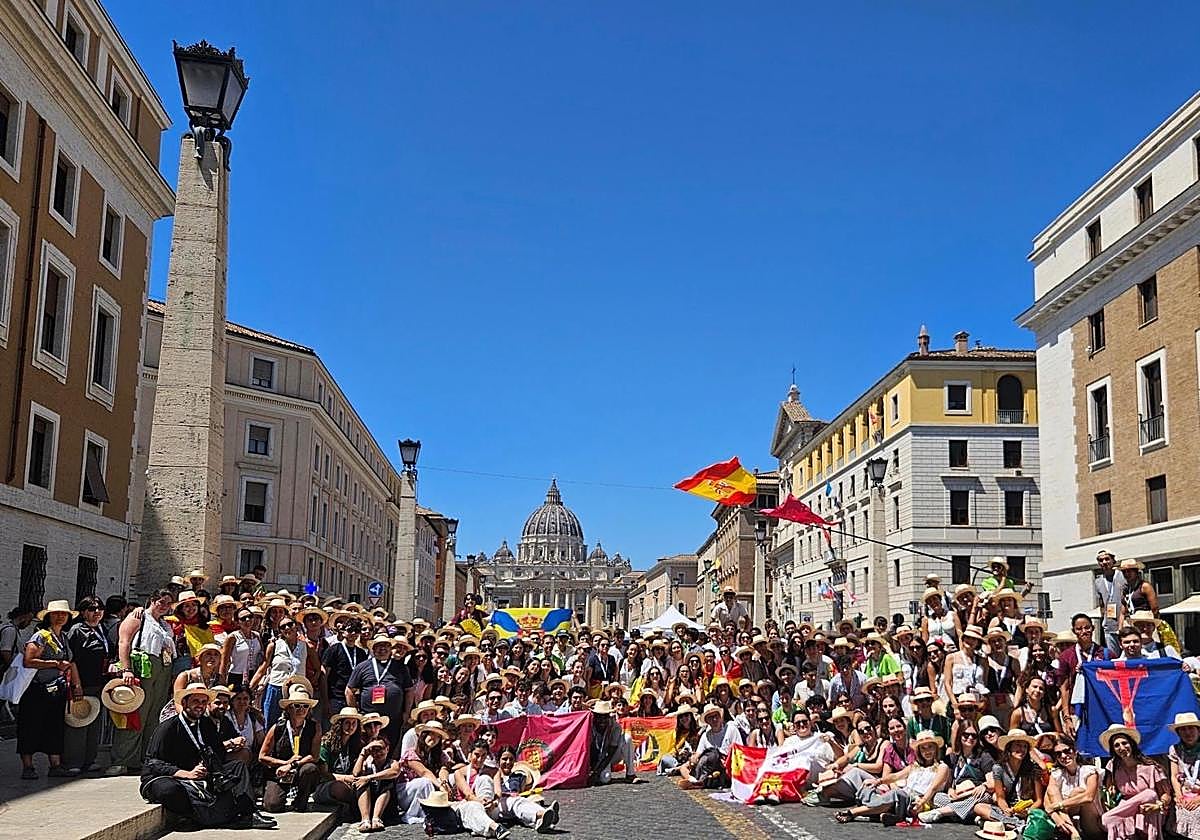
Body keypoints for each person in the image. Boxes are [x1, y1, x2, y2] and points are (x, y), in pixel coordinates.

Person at [140, 683, 274, 829]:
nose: (200, 706)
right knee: (169, 790)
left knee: (237, 767)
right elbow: (152, 763)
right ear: (184, 703)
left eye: (204, 702)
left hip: (198, 773)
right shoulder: (168, 727)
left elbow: (217, 751)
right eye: (196, 701)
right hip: (170, 776)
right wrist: (185, 774)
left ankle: (249, 813)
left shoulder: (205, 723)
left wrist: (206, 765)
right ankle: (197, 817)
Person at [110, 589, 177, 776]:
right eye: (161, 601)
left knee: (154, 715)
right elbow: (124, 642)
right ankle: (122, 759)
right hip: (143, 666)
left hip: (163, 667)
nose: (164, 606)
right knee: (135, 713)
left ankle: (145, 759)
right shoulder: (138, 617)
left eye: (168, 603)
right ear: (152, 600)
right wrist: (127, 669)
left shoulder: (164, 624)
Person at [18, 599, 82, 779]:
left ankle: (55, 765)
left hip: (56, 691)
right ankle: (28, 767)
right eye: (57, 614)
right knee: (31, 726)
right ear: (49, 616)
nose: (61, 617)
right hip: (37, 690)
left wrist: (76, 685)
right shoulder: (41, 636)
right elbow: (28, 661)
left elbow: (71, 662)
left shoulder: (63, 637)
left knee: (54, 727)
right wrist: (55, 663)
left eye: (64, 614)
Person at [833, 729, 949, 825]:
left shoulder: (942, 767)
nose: (927, 751)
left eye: (930, 747)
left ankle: (852, 813)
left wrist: (922, 802)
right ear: (919, 751)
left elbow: (933, 788)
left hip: (919, 801)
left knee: (896, 794)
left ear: (936, 749)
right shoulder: (915, 766)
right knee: (870, 787)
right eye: (923, 748)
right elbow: (896, 776)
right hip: (904, 797)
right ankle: (890, 815)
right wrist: (878, 781)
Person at [65, 595, 113, 773]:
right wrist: (76, 685)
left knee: (94, 721)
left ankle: (89, 759)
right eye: (92, 609)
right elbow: (72, 659)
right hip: (81, 682)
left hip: (99, 682)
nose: (97, 612)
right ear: (83, 612)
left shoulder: (102, 629)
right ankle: (73, 761)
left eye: (100, 608)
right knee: (77, 721)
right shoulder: (77, 630)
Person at [258, 681, 323, 812]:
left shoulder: (314, 727)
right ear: (288, 708)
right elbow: (262, 756)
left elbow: (314, 756)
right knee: (272, 805)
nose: (301, 709)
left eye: (305, 706)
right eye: (297, 706)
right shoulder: (278, 728)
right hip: (280, 771)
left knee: (310, 769)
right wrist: (284, 763)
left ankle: (301, 800)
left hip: (300, 768)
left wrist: (293, 765)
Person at [1100, 724, 1170, 840]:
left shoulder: (1151, 767)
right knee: (1121, 812)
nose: (1122, 748)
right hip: (1125, 808)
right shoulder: (1112, 766)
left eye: (1124, 743)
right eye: (1117, 745)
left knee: (1150, 794)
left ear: (1131, 744)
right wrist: (1111, 790)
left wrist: (1159, 805)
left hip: (1149, 807)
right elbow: (1109, 787)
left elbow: (1166, 794)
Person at [346, 634, 413, 746]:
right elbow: (349, 690)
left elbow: (409, 691)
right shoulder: (362, 667)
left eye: (386, 645)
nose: (383, 648)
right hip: (368, 721)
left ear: (391, 648)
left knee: (390, 748)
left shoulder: (401, 668)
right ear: (373, 649)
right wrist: (355, 714)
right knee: (367, 747)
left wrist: (407, 712)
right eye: (379, 646)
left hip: (393, 719)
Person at [921, 722, 994, 824]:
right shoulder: (953, 757)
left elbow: (992, 783)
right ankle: (968, 815)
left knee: (983, 797)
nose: (970, 738)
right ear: (960, 736)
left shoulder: (984, 756)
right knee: (937, 797)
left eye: (974, 735)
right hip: (958, 796)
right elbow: (949, 784)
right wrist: (950, 790)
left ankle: (940, 812)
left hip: (975, 794)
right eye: (966, 735)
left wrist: (984, 786)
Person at [975, 728, 1044, 832]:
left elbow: (1039, 800)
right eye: (1018, 745)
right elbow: (1000, 797)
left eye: (1025, 746)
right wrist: (1007, 810)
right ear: (1009, 747)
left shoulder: (1033, 769)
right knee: (979, 807)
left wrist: (1029, 811)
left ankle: (1003, 823)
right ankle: (1016, 824)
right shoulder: (998, 768)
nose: (1022, 749)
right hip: (1010, 809)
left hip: (1028, 808)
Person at [251, 617, 311, 726]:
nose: (287, 628)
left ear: (296, 626)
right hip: (275, 688)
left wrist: (308, 685)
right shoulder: (273, 645)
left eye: (290, 624)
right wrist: (249, 688)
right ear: (280, 631)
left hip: (296, 691)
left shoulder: (305, 646)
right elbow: (263, 668)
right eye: (283, 627)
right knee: (270, 723)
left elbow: (317, 668)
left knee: (295, 724)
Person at [1045, 734, 1101, 840]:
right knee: (1052, 789)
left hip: (1090, 820)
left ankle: (1074, 832)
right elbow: (1047, 803)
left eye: (1067, 751)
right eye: (1058, 754)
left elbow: (1088, 797)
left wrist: (1058, 805)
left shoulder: (1089, 771)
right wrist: (1057, 819)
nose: (1063, 756)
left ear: (1075, 751)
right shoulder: (1056, 774)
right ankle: (1074, 832)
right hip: (1068, 820)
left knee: (1078, 792)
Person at [314, 706, 363, 816]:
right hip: (326, 785)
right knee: (340, 787)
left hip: (350, 781)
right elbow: (323, 773)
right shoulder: (327, 743)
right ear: (340, 724)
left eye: (354, 723)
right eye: (347, 723)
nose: (350, 727)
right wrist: (345, 778)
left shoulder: (356, 744)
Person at [587, 699, 638, 785]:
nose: (602, 720)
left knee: (627, 738)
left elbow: (611, 751)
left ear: (609, 716)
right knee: (604, 778)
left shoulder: (615, 727)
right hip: (592, 758)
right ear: (594, 716)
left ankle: (630, 774)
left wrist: (596, 772)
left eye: (605, 716)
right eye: (599, 716)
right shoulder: (588, 725)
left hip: (608, 757)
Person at [1168, 712, 1200, 839]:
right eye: (1183, 729)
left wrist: (1198, 799)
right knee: (1180, 812)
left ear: (1198, 730)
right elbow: (1174, 776)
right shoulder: (1174, 749)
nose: (1187, 732)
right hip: (1184, 792)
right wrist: (1179, 796)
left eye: (1191, 728)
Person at [1095, 551, 1125, 654]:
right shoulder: (1098, 581)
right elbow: (1101, 604)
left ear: (1113, 560)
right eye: (1101, 560)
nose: (1104, 562)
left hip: (1124, 624)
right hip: (1109, 626)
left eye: (1107, 559)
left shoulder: (1122, 575)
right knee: (1114, 656)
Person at [1118, 559, 1159, 628]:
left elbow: (1155, 609)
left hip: (1145, 621)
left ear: (1136, 571)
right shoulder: (1125, 589)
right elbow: (1123, 612)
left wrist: (1155, 626)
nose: (1126, 574)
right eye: (1124, 572)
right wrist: (1120, 627)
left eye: (1129, 571)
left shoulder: (1145, 586)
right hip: (1131, 621)